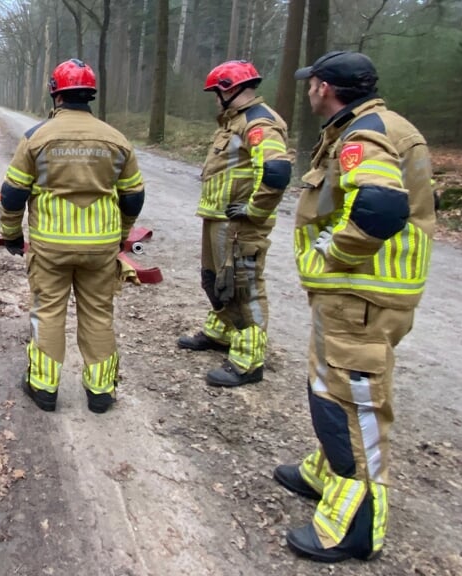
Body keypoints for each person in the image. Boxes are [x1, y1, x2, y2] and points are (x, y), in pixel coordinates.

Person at [276, 50, 435, 563]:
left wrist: (335, 256)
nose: (307, 92)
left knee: (353, 402)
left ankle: (355, 527)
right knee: (331, 390)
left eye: (311, 84)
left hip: (362, 295)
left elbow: (381, 206)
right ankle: (326, 473)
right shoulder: (373, 125)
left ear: (324, 87)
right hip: (357, 298)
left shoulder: (363, 137)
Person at [0, 59, 145, 414]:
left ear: (56, 94)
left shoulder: (36, 138)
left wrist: (11, 235)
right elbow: (133, 196)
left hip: (50, 248)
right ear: (90, 95)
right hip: (100, 250)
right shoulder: (117, 140)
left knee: (48, 312)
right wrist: (122, 237)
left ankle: (44, 388)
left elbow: (13, 194)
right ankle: (100, 393)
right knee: (98, 315)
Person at [176, 60, 293, 387]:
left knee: (243, 285)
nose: (215, 98)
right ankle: (221, 332)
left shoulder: (259, 123)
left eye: (217, 92)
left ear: (230, 89)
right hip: (220, 218)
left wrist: (254, 210)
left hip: (241, 223)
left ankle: (249, 360)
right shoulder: (234, 123)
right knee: (216, 280)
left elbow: (277, 172)